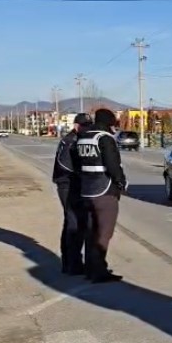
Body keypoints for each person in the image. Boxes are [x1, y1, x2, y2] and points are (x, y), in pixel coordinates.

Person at [72, 108, 127, 283]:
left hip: (86, 190)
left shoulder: (84, 136)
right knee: (104, 233)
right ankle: (99, 271)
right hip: (104, 191)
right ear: (109, 122)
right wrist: (121, 183)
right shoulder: (105, 138)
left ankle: (90, 268)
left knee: (90, 231)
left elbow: (76, 163)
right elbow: (113, 166)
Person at [52, 113, 92, 274]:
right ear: (76, 126)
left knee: (72, 222)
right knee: (74, 223)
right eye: (85, 126)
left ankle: (70, 262)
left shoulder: (79, 140)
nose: (87, 129)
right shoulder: (69, 141)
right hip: (68, 185)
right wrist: (81, 174)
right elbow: (65, 165)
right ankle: (72, 264)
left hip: (74, 185)